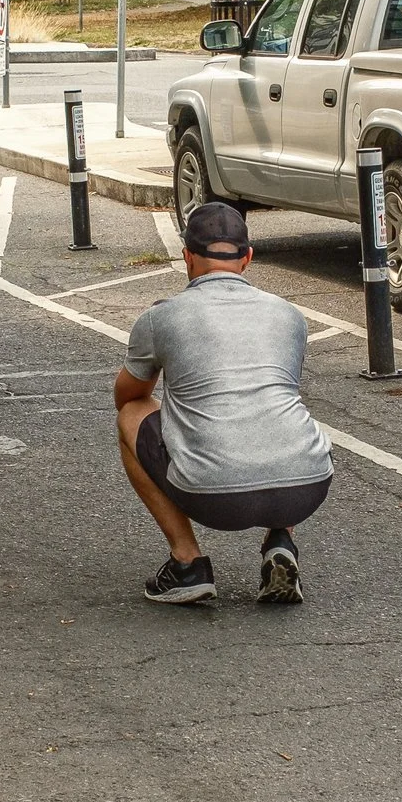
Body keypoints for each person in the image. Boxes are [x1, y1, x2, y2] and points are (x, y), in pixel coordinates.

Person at [117, 202, 334, 605]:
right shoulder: (289, 314)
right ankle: (281, 541)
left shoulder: (161, 317)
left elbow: (129, 398)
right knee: (274, 411)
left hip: (213, 497)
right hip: (307, 486)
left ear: (186, 257)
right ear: (248, 258)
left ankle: (187, 564)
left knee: (132, 417)